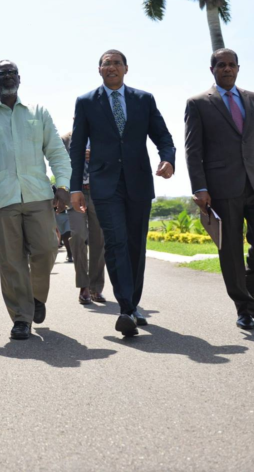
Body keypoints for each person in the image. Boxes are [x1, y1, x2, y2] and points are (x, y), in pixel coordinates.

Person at [69, 49, 175, 337]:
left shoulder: (144, 99)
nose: (112, 67)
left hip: (139, 182)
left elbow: (163, 137)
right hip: (104, 186)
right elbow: (77, 148)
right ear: (99, 70)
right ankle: (126, 308)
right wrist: (75, 188)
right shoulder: (87, 102)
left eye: (117, 63)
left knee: (135, 246)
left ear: (126, 68)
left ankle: (134, 304)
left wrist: (167, 159)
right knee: (115, 243)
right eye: (106, 63)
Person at [0, 60, 71, 341]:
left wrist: (62, 185)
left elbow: (57, 153)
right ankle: (21, 318)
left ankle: (36, 297)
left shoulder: (39, 113)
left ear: (20, 79)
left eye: (11, 73)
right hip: (1, 200)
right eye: (1, 74)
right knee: (11, 261)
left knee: (48, 248)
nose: (7, 77)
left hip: (37, 194)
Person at [184, 48, 254, 330]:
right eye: (221, 65)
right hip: (221, 187)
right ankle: (243, 306)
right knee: (230, 251)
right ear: (212, 69)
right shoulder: (197, 103)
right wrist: (200, 187)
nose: (227, 69)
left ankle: (246, 289)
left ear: (238, 68)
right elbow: (193, 151)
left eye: (231, 65)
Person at [62, 132, 106, 304]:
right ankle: (83, 286)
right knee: (78, 236)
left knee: (99, 241)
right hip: (75, 193)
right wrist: (78, 157)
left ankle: (96, 288)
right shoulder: (65, 140)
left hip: (98, 192)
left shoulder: (102, 135)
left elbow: (113, 160)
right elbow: (59, 165)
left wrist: (96, 156)